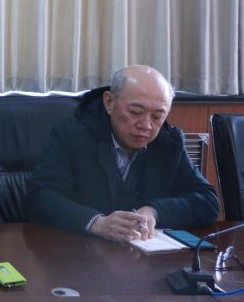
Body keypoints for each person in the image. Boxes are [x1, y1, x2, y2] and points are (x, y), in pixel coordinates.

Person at [26, 65, 219, 242]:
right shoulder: (72, 134)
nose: (146, 125)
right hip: (77, 253)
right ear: (109, 102)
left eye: (157, 116)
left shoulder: (168, 142)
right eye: (135, 112)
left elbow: (207, 201)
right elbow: (41, 198)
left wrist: (154, 212)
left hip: (143, 257)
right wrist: (97, 223)